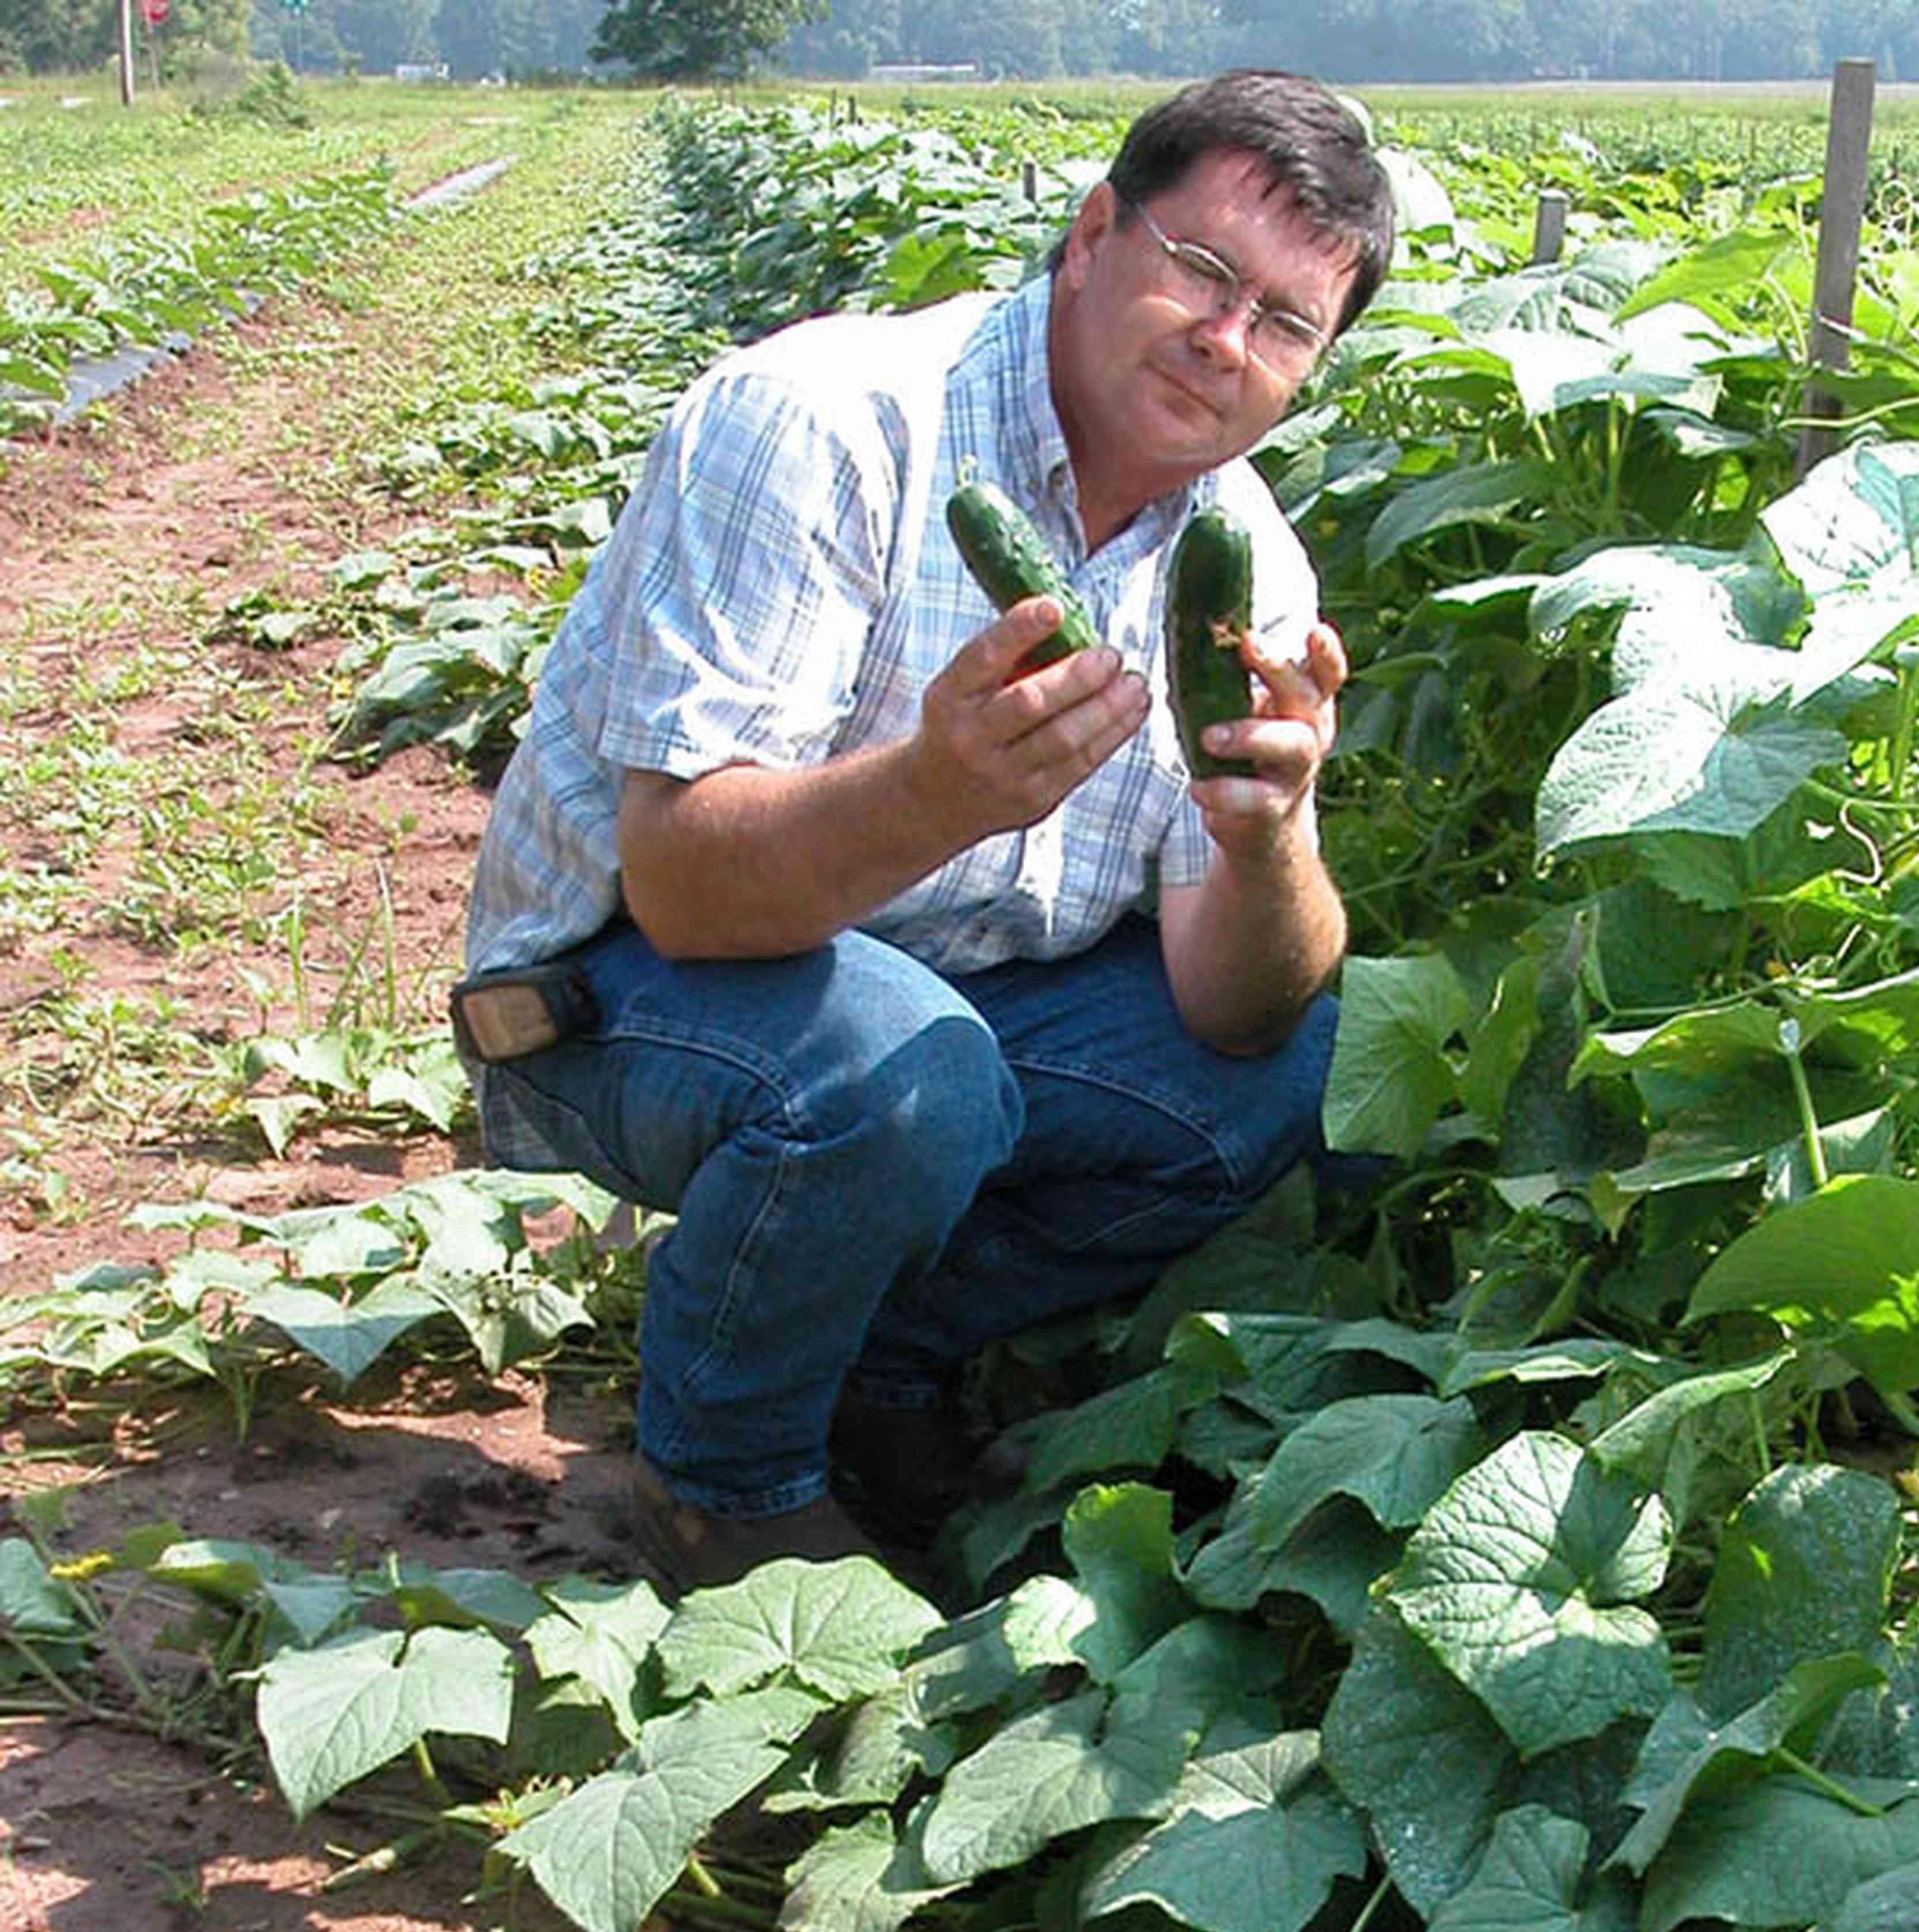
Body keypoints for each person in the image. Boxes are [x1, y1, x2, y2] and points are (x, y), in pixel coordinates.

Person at [455, 66, 1395, 1593]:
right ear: (1095, 235)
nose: (1230, 341)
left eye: (1285, 324)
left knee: (1289, 1068)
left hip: (924, 1013)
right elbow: (685, 885)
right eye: (1203, 272)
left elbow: (1235, 1006)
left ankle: (880, 1371)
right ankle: (721, 1484)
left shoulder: (1245, 563)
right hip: (628, 990)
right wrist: (938, 790)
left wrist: (1266, 832)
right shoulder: (821, 422)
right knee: (902, 1070)